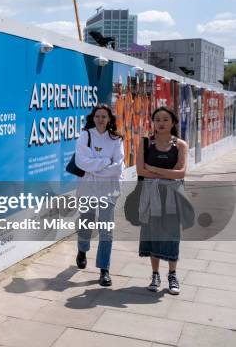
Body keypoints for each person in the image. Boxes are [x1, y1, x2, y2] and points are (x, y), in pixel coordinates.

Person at [136, 107, 188, 295]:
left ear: (173, 122)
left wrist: (153, 169)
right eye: (157, 119)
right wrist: (167, 174)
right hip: (151, 194)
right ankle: (155, 274)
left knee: (172, 235)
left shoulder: (180, 145)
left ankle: (172, 275)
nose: (161, 123)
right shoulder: (145, 143)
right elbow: (140, 171)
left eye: (165, 119)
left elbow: (181, 173)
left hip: (173, 196)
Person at [74, 104, 124, 286]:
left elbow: (118, 167)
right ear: (93, 118)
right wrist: (105, 162)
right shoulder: (85, 136)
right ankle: (82, 250)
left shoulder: (116, 139)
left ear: (109, 118)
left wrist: (95, 166)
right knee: (86, 222)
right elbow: (81, 162)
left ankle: (104, 269)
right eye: (97, 116)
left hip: (109, 190)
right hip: (88, 187)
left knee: (106, 230)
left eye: (104, 116)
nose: (100, 119)